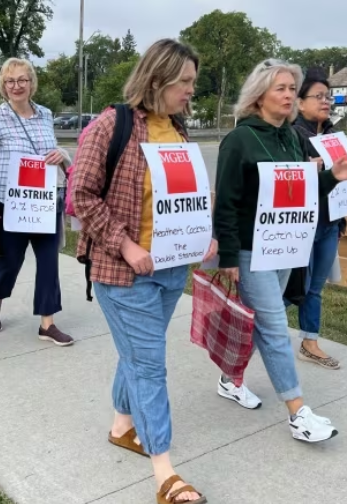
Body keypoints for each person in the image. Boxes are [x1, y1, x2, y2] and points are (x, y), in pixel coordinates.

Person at [73, 39, 212, 504]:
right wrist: (125, 245)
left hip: (172, 268)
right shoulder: (112, 125)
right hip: (123, 272)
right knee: (149, 364)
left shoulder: (179, 130)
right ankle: (165, 473)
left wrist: (201, 235)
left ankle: (121, 426)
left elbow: (181, 198)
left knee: (134, 353)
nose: (192, 90)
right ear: (157, 80)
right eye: (186, 82)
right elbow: (82, 196)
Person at [212, 59, 347, 443]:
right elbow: (227, 204)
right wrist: (230, 258)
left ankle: (230, 379)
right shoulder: (240, 140)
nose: (287, 95)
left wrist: (332, 177)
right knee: (274, 327)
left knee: (262, 321)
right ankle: (298, 412)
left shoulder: (293, 139)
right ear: (259, 94)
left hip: (286, 246)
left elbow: (300, 194)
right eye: (280, 88)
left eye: (291, 88)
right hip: (252, 250)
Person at [0, 57, 73, 345]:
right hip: (9, 203)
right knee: (9, 262)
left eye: (22, 80)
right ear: (3, 86)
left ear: (32, 83)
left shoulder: (45, 114)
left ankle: (47, 323)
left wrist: (61, 155)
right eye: (10, 81)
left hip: (43, 201)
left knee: (48, 262)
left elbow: (49, 150)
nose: (16, 86)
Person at [288, 68, 346, 370]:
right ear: (300, 103)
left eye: (328, 96)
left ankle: (310, 342)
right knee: (290, 287)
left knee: (315, 287)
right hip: (301, 224)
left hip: (329, 222)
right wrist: (306, 165)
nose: (326, 101)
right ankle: (248, 329)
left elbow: (343, 182)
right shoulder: (292, 135)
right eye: (318, 96)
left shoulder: (334, 135)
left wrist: (342, 221)